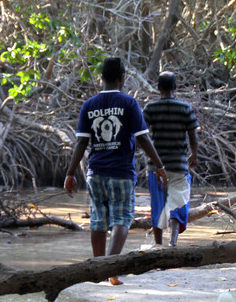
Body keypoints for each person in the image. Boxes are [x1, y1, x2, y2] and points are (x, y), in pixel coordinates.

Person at [64, 57, 168, 285]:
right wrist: (159, 166)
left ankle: (97, 268)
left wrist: (70, 173)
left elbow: (81, 143)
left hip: (96, 172)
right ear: (122, 78)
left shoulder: (88, 105)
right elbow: (143, 139)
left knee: (98, 220)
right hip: (121, 172)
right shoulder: (129, 103)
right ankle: (111, 269)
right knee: (122, 219)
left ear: (102, 77)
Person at [142, 71, 199, 247]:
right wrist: (194, 153)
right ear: (175, 87)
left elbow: (142, 135)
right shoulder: (185, 108)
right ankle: (172, 243)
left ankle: (158, 245)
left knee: (157, 205)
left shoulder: (150, 108)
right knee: (178, 204)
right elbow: (193, 135)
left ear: (158, 88)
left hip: (156, 167)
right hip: (179, 165)